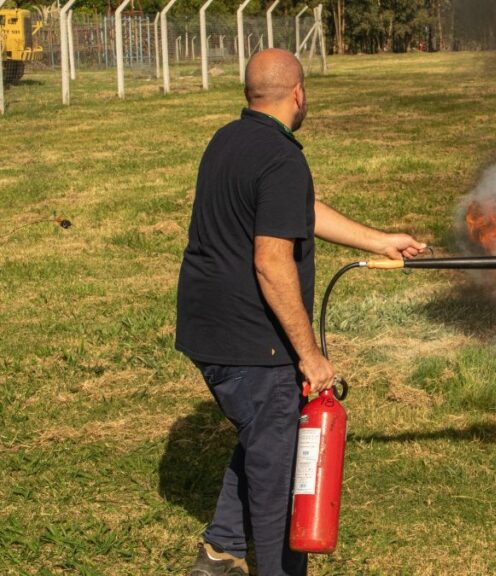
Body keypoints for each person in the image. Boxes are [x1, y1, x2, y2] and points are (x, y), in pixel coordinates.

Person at [175, 48, 425, 576]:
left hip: (205, 331)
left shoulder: (228, 140)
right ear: (298, 94)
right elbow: (271, 261)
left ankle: (220, 552)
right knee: (280, 471)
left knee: (262, 432)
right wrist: (310, 356)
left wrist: (379, 240)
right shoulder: (281, 156)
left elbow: (298, 209)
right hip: (252, 344)